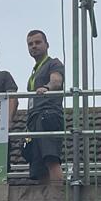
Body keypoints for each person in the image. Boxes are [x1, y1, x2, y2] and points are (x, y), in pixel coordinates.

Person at [24, 30, 65, 183]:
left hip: (47, 115)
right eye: (30, 44)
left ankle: (59, 194)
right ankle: (47, 196)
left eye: (37, 42)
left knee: (50, 159)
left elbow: (56, 81)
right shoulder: (34, 72)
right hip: (34, 119)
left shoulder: (53, 63)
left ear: (47, 45)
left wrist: (47, 87)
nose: (34, 46)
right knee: (38, 166)